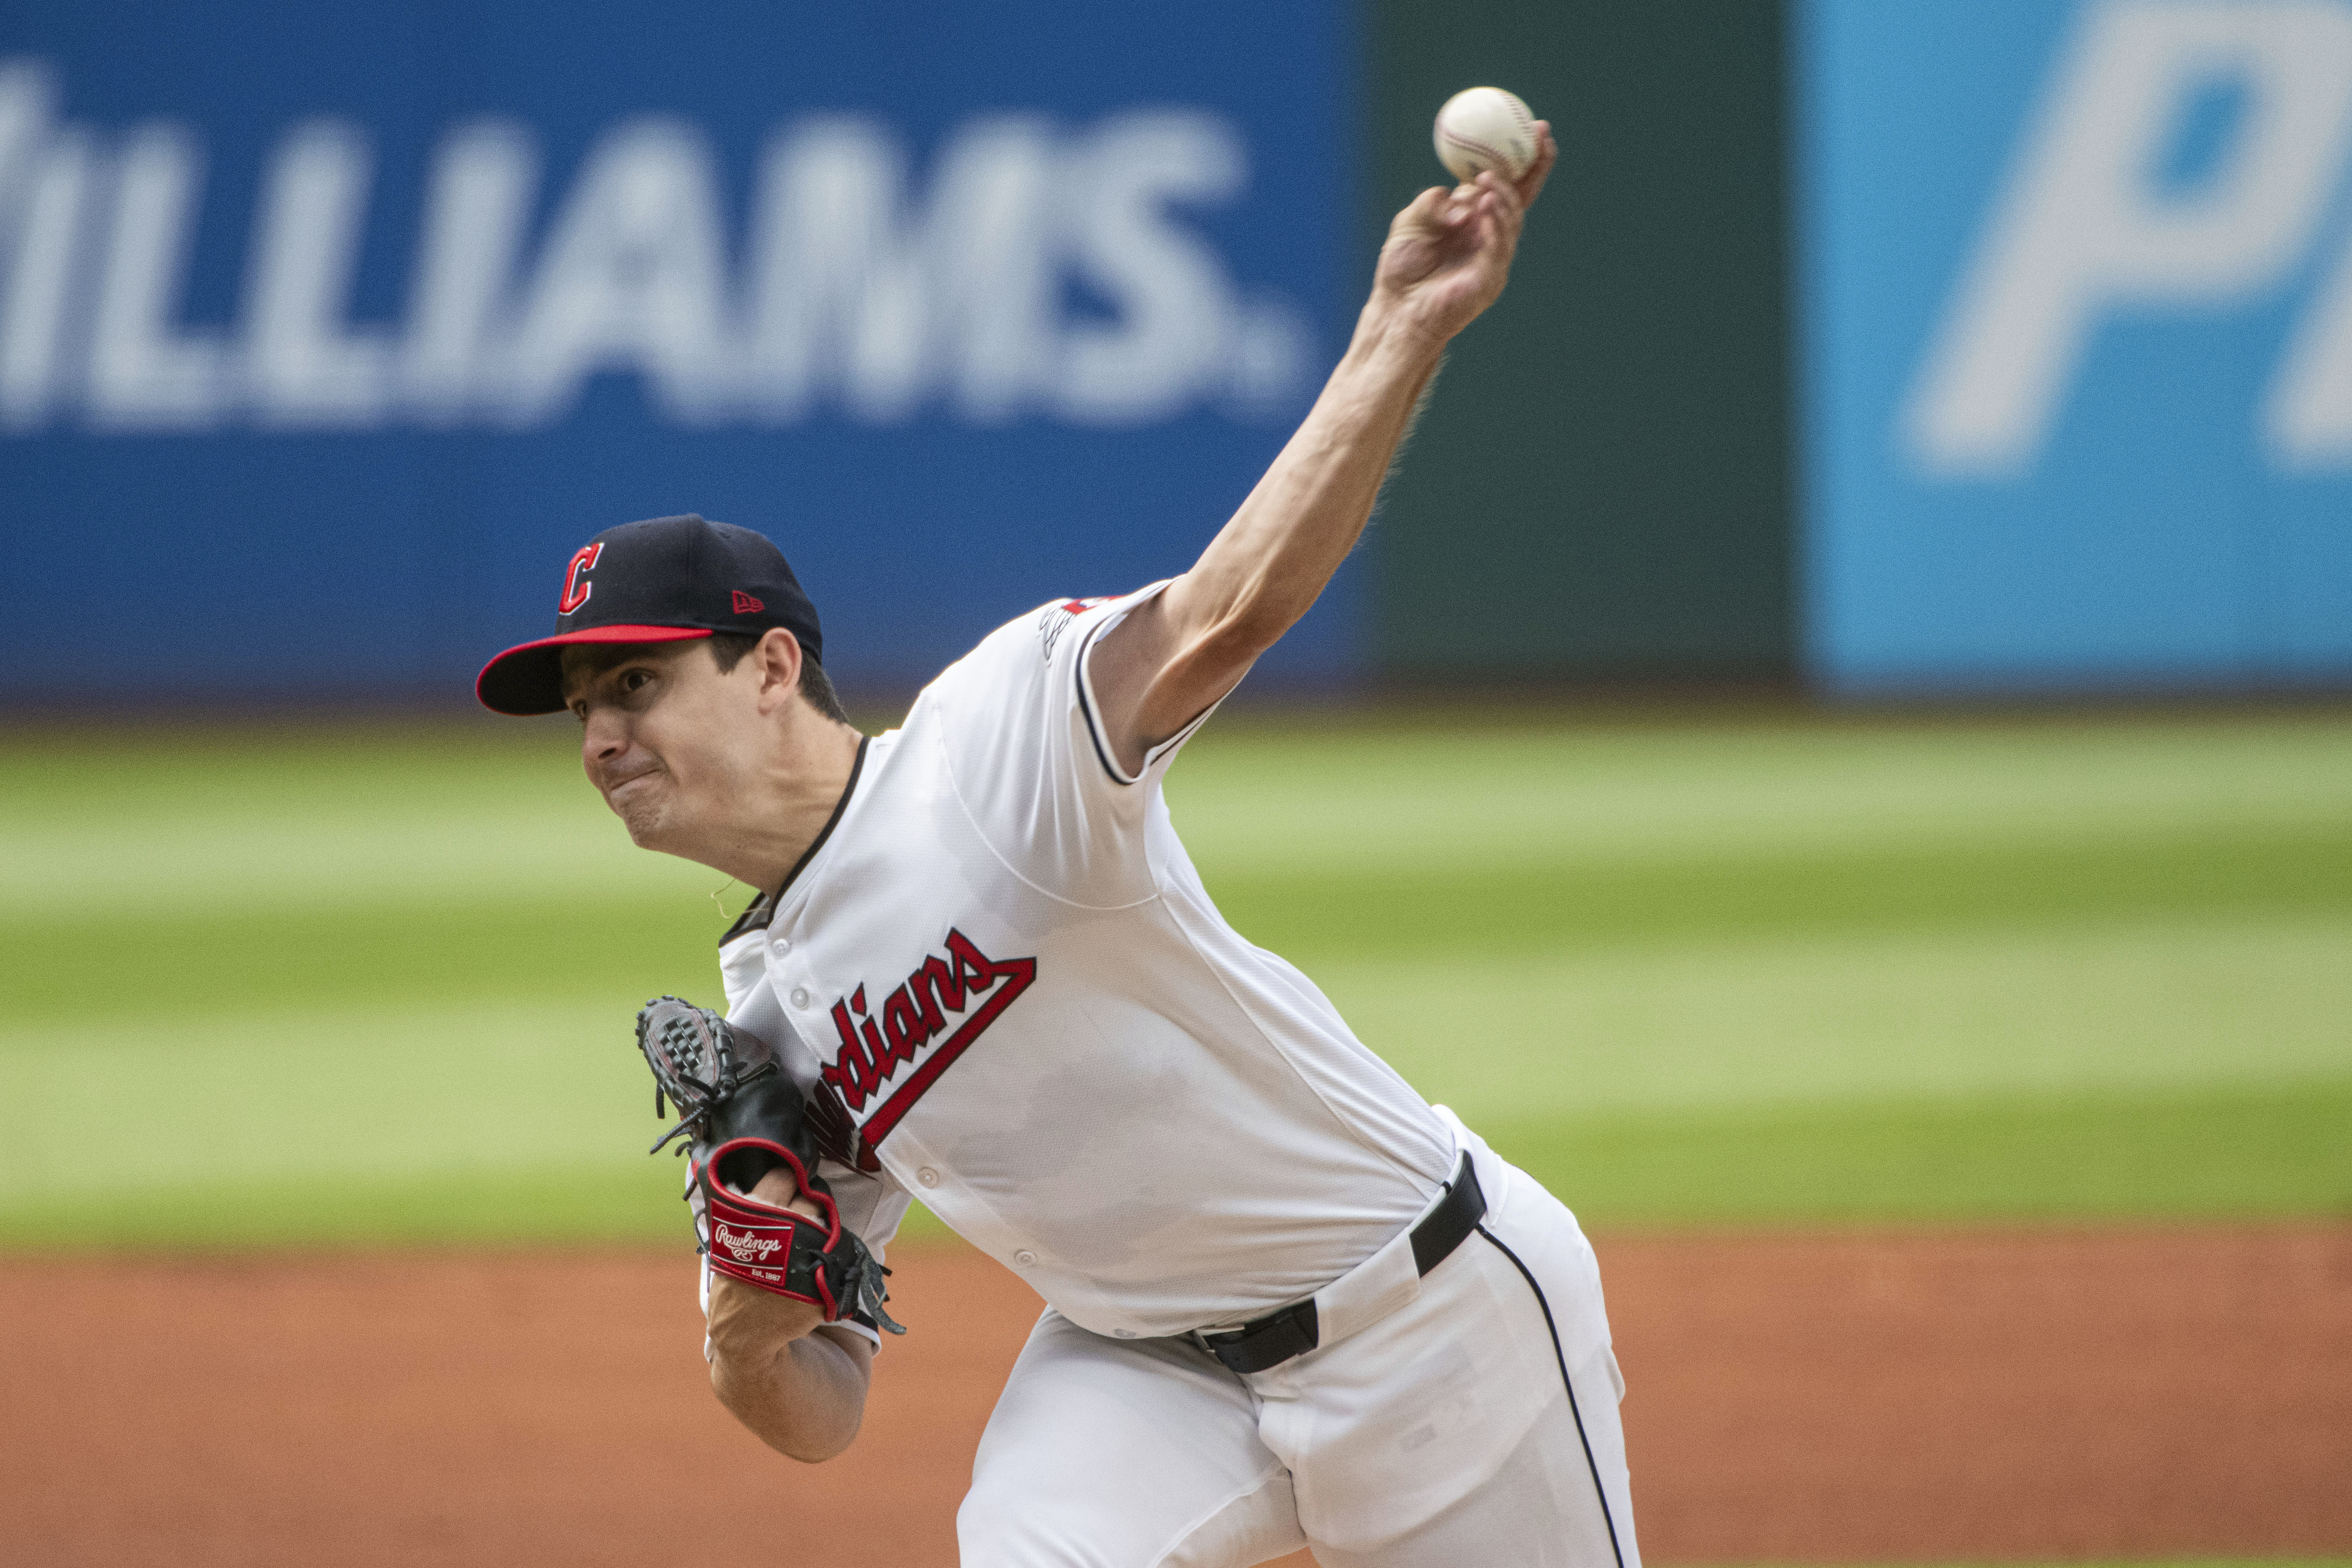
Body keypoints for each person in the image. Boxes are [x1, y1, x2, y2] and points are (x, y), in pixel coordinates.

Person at [476, 127, 1637, 1568]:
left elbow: (1228, 611)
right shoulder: (770, 1017)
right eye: (584, 709)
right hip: (1141, 1367)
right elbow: (821, 1409)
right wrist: (745, 1318)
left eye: (635, 684)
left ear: (772, 667)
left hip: (1433, 1312)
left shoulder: (998, 736)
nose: (598, 737)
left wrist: (1400, 330)